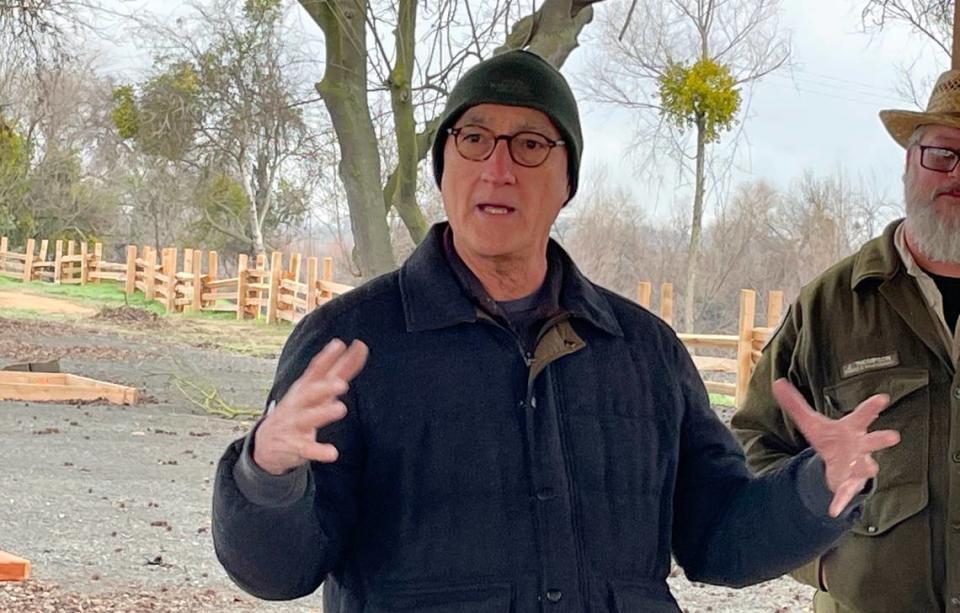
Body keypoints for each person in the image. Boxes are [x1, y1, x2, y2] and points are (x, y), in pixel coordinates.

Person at [212, 49, 898, 613]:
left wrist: (815, 487)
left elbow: (718, 537)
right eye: (474, 137)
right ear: (444, 168)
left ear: (567, 178)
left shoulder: (645, 350)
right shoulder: (350, 343)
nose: (498, 165)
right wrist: (266, 473)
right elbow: (278, 572)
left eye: (531, 144)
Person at [732, 68, 960, 613]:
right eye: (942, 154)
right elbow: (751, 450)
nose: (958, 175)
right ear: (909, 161)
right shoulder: (828, 305)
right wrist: (821, 564)